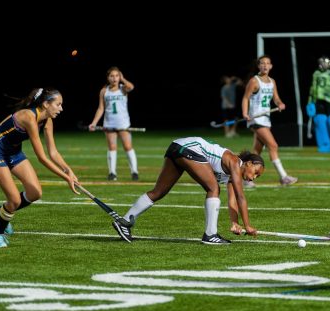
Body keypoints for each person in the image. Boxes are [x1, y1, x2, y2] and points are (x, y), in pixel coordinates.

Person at [111, 136, 263, 244]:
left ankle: (124, 221)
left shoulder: (232, 174)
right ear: (249, 163)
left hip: (176, 147)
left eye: (257, 176)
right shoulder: (235, 162)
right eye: (256, 172)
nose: (254, 177)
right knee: (213, 188)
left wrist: (235, 222)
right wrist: (248, 225)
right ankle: (210, 235)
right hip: (188, 148)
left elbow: (233, 201)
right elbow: (241, 197)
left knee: (159, 192)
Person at [0, 88, 79, 248]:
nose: (61, 108)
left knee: (35, 193)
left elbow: (53, 152)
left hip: (13, 151)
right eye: (58, 104)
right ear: (46, 104)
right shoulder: (29, 117)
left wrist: (69, 171)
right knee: (14, 200)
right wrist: (66, 178)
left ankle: (1, 211)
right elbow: (42, 157)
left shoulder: (48, 120)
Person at [241, 55, 297, 187]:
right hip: (256, 118)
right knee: (273, 145)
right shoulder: (254, 81)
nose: (265, 66)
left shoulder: (272, 82)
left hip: (266, 119)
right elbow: (245, 98)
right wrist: (245, 113)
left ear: (271, 66)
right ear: (258, 66)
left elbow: (276, 98)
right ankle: (283, 177)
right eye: (262, 63)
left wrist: (280, 103)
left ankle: (246, 179)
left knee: (256, 152)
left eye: (267, 63)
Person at [89, 66, 139, 181]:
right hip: (109, 123)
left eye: (117, 75)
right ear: (108, 78)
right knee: (112, 147)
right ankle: (112, 173)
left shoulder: (123, 89)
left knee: (127, 146)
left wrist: (123, 79)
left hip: (123, 124)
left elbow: (131, 87)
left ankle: (134, 171)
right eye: (112, 76)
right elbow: (101, 108)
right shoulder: (104, 91)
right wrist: (94, 122)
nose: (114, 78)